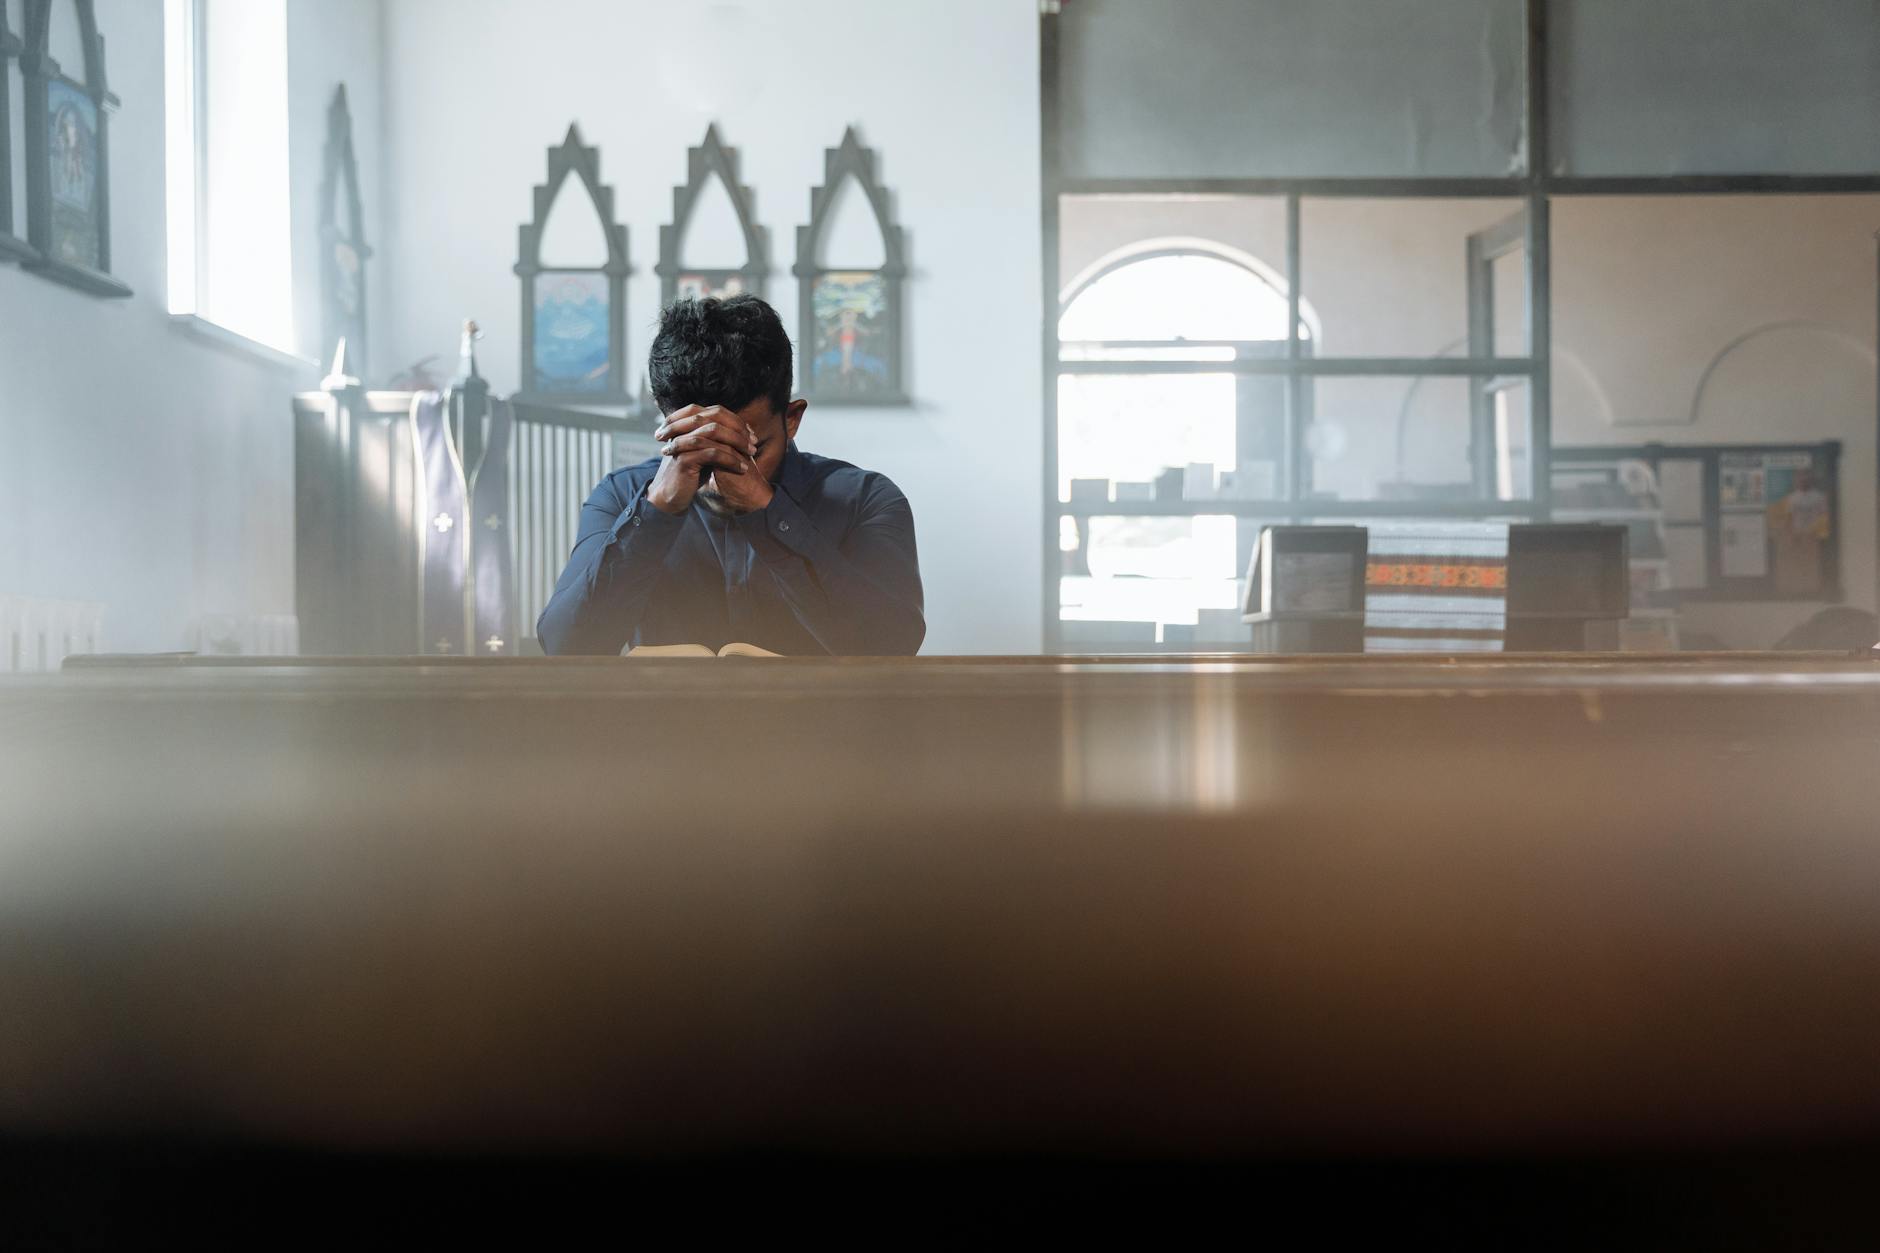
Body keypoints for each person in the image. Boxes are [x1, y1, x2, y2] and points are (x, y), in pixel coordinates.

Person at [537, 295, 924, 656]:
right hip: (662, 729)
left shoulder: (866, 499)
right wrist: (656, 509)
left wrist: (769, 510)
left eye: (747, 449)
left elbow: (893, 645)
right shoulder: (622, 496)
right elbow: (565, 645)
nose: (718, 475)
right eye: (696, 446)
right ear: (667, 423)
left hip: (820, 729)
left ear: (792, 419)